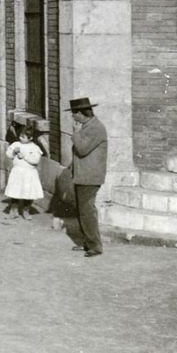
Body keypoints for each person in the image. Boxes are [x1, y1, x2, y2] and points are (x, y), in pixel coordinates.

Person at [70, 97, 107, 257]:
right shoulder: (88, 126)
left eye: (74, 113)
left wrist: (76, 133)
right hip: (83, 175)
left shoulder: (95, 128)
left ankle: (95, 246)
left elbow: (82, 149)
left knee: (87, 211)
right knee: (83, 210)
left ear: (80, 113)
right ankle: (87, 242)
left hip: (90, 176)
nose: (72, 117)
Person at [3, 128, 45, 217]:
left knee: (28, 192)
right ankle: (13, 210)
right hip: (17, 171)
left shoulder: (34, 147)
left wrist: (24, 156)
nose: (21, 138)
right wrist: (13, 152)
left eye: (23, 137)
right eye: (20, 136)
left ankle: (26, 210)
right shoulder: (16, 144)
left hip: (29, 173)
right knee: (15, 191)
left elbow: (36, 160)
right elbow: (8, 155)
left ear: (30, 138)